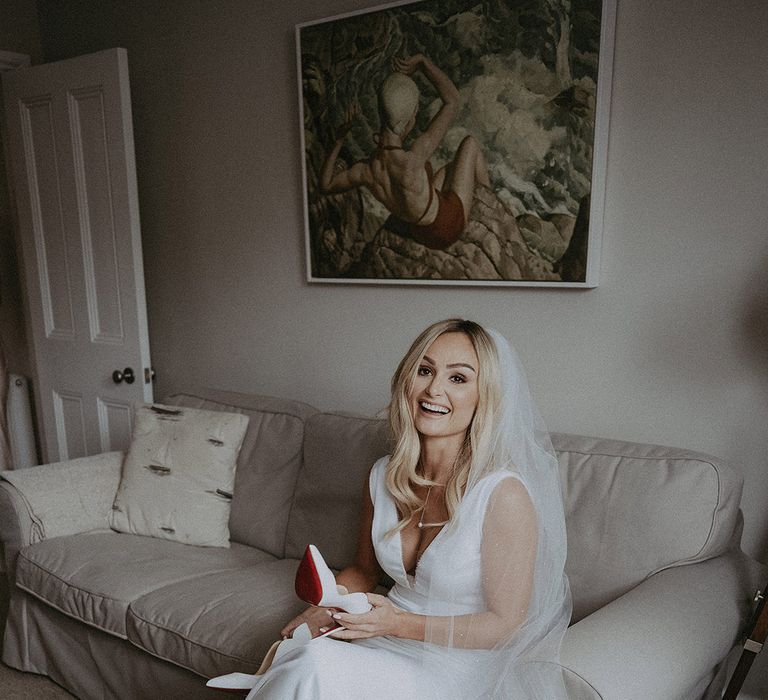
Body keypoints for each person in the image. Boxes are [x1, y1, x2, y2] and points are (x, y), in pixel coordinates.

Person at [246, 319, 572, 699]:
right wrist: (327, 606)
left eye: (458, 379)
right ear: (407, 378)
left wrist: (397, 623)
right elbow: (364, 570)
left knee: (313, 668)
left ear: (485, 396)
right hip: (382, 636)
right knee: (304, 658)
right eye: (425, 370)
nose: (434, 389)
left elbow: (505, 626)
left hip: (459, 661)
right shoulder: (383, 475)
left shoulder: (502, 494)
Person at [319, 56, 491, 250]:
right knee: (470, 144)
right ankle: (491, 207)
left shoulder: (366, 170)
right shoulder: (414, 157)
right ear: (409, 121)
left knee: (449, 169)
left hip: (419, 232)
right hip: (447, 228)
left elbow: (326, 185)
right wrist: (424, 62)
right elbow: (452, 100)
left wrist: (339, 140)